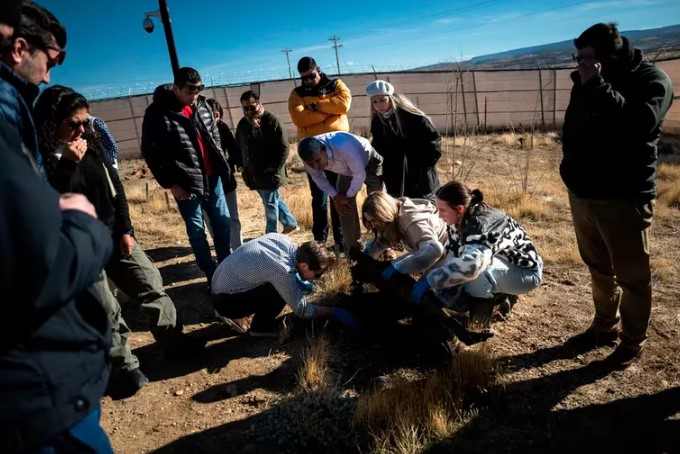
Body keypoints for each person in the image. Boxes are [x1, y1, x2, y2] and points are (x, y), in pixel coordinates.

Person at [35, 85, 208, 392]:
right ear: (52, 123)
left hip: (113, 235)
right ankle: (125, 366)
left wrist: (126, 229)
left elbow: (116, 188)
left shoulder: (91, 143)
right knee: (105, 307)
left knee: (150, 283)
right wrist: (67, 165)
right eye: (72, 124)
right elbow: (46, 204)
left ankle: (173, 342)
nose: (80, 130)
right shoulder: (41, 159)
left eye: (84, 122)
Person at [0, 2, 114, 451]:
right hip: (34, 388)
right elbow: (40, 259)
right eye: (52, 60)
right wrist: (81, 224)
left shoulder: (15, 107)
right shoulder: (7, 109)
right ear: (19, 47)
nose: (49, 75)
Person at [561, 23, 673, 368]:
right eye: (577, 57)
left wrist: (596, 85)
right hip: (583, 194)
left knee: (631, 276)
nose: (580, 63)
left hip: (623, 197)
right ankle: (603, 326)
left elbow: (638, 124)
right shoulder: (586, 81)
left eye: (587, 58)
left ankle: (632, 341)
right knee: (598, 268)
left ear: (609, 56)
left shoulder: (652, 80)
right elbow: (574, 127)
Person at [141, 67, 232, 285]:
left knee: (223, 225)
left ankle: (227, 270)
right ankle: (212, 274)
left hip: (213, 178)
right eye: (190, 91)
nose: (194, 96)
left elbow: (214, 137)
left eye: (198, 90)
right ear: (176, 88)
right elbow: (151, 153)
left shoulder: (202, 106)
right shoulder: (157, 112)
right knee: (196, 231)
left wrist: (221, 165)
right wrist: (170, 183)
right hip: (185, 183)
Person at [411, 182, 543, 324]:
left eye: (442, 211)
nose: (439, 216)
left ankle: (478, 325)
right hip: (502, 263)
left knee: (478, 275)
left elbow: (472, 266)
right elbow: (452, 256)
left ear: (459, 209)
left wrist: (431, 280)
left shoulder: (480, 225)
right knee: (456, 296)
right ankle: (499, 295)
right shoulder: (458, 220)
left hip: (526, 272)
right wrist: (428, 280)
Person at [211, 233, 356, 336]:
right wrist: (334, 311)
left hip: (220, 285)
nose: (317, 278)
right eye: (317, 274)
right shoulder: (282, 269)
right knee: (280, 291)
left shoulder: (283, 240)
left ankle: (238, 315)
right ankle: (260, 327)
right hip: (226, 302)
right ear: (304, 266)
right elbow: (303, 311)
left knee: (286, 285)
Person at [288, 56, 348, 252]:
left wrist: (315, 106)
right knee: (319, 197)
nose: (308, 81)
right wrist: (330, 110)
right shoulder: (297, 93)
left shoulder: (335, 84)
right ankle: (320, 242)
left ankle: (341, 239)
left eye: (311, 76)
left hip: (337, 152)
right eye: (304, 78)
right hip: (313, 154)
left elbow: (344, 104)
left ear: (318, 70)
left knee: (338, 195)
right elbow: (299, 117)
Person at [298, 131, 384, 252]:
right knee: (343, 207)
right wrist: (336, 197)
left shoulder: (343, 146)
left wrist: (347, 196)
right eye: (311, 164)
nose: (316, 166)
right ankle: (353, 250)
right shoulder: (308, 157)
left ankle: (384, 244)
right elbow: (318, 178)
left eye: (318, 161)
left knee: (378, 204)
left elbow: (359, 175)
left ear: (323, 149)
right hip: (346, 171)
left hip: (369, 161)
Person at [235, 90, 298, 235]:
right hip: (253, 174)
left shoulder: (271, 121)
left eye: (252, 107)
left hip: (269, 174)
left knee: (270, 204)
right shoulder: (243, 125)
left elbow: (284, 147)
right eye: (246, 108)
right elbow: (238, 146)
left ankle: (271, 234)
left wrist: (274, 168)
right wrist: (240, 165)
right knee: (271, 199)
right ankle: (290, 223)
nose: (249, 111)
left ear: (259, 104)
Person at [366, 80, 442, 198]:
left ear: (391, 98)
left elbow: (433, 143)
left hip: (421, 177)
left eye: (382, 100)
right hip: (395, 178)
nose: (379, 105)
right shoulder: (378, 122)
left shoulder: (414, 118)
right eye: (374, 102)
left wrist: (423, 168)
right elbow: (378, 148)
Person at [362, 192, 448, 278]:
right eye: (369, 222)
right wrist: (364, 257)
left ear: (384, 214)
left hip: (449, 259)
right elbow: (383, 240)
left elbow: (434, 249)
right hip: (438, 261)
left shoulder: (412, 222)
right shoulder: (392, 217)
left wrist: (397, 266)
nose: (372, 225)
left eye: (374, 220)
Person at [207, 97, 243, 249]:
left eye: (217, 115)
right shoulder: (197, 132)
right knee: (212, 219)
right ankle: (222, 249)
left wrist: (228, 164)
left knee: (232, 217)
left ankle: (238, 249)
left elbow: (234, 150)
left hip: (226, 181)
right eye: (211, 116)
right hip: (206, 182)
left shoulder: (223, 128)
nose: (215, 119)